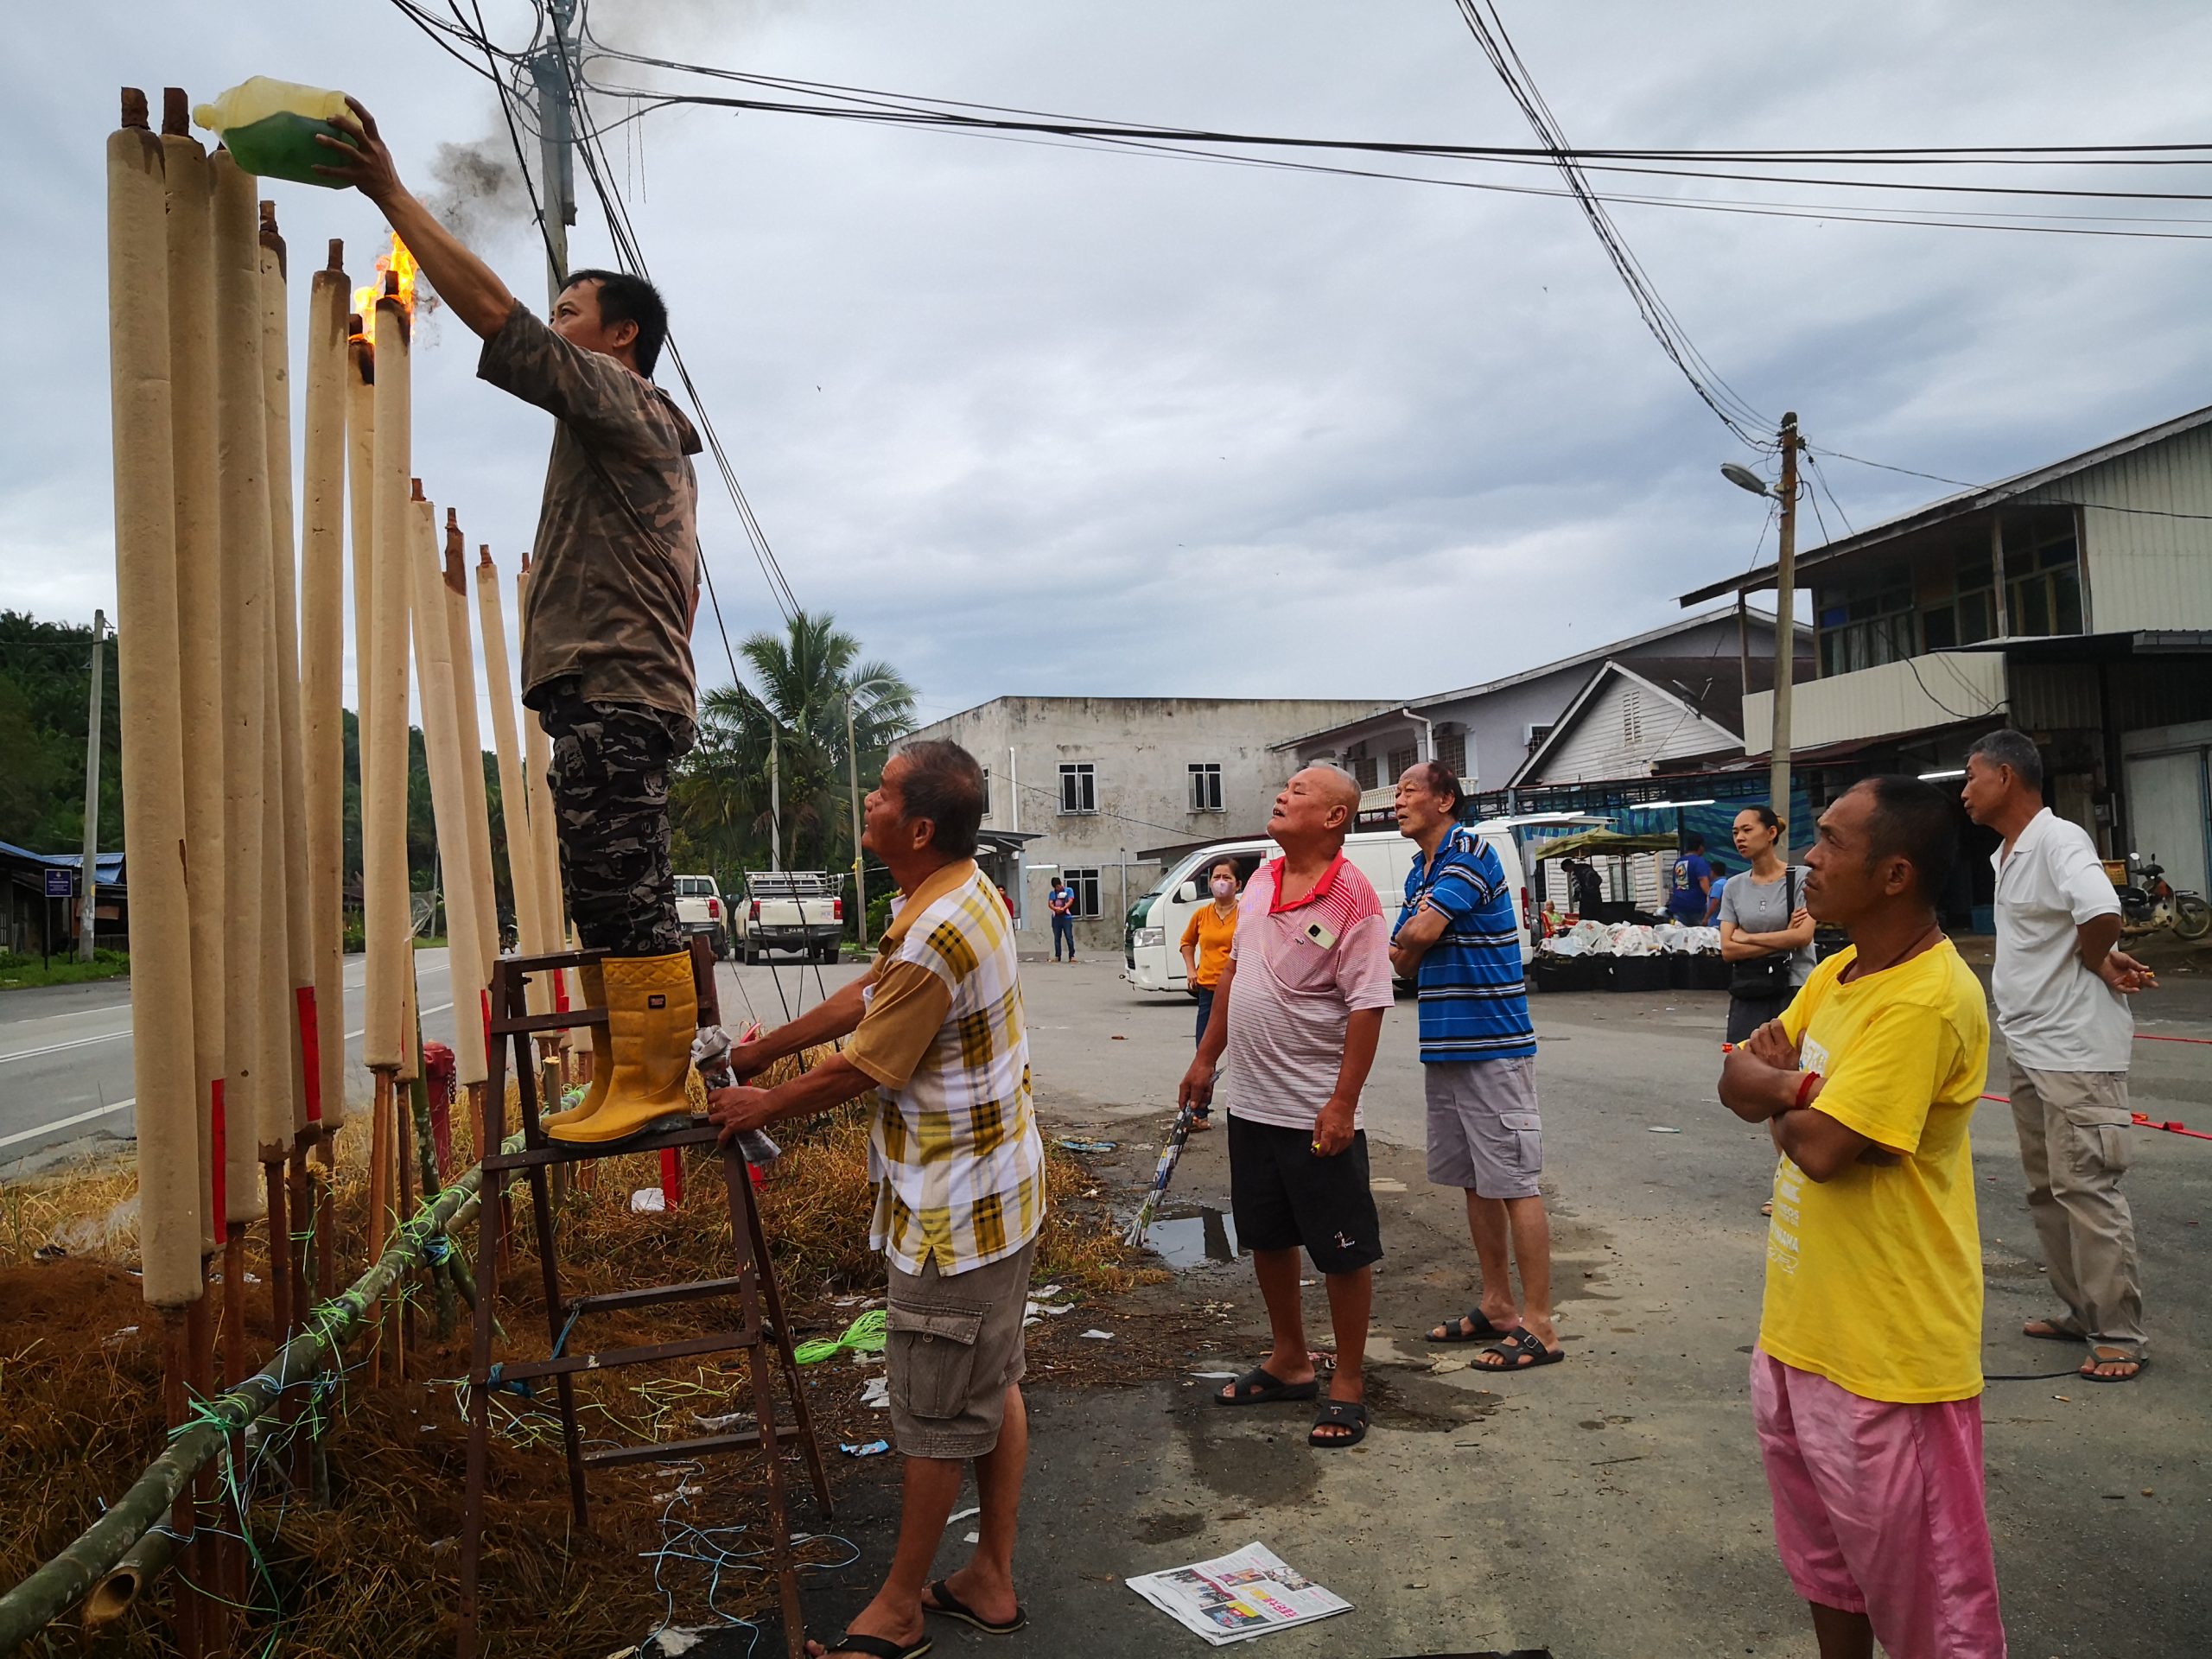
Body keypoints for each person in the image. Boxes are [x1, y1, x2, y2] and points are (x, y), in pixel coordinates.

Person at [320, 101, 703, 1145]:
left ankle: (658, 1084)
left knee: (622, 896)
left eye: (573, 311)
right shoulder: (640, 441)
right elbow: (688, 583)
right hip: (621, 685)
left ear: (619, 335)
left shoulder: (622, 402)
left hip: (618, 690)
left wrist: (390, 194)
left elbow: (498, 318)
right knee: (609, 889)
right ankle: (633, 1073)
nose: (557, 323)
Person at [709, 741, 1044, 1659]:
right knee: (992, 1378)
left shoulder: (940, 924)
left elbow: (870, 1061)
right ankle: (988, 1578)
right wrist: (764, 1049)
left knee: (937, 1413)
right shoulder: (949, 892)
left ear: (920, 826)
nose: (868, 798)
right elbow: (873, 994)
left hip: (955, 1209)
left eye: (885, 792)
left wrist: (761, 1101)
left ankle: (898, 1608)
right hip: (996, 1194)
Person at [1719, 777, 2003, 1659]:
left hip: (1891, 1357)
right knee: (1824, 1569)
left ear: (1893, 874)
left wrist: (1789, 1092)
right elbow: (1735, 1078)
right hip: (1802, 1336)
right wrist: (1800, 1096)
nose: (1807, 855)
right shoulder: (1843, 973)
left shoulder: (1924, 997)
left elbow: (1822, 1150)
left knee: (1933, 1615)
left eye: (1831, 841)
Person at [1179, 766, 1391, 1448]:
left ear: (1334, 817)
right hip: (1254, 1103)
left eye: (1300, 791)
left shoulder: (1353, 898)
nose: (1282, 795)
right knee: (1266, 1237)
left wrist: (1342, 1103)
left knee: (1340, 1249)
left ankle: (1349, 1380)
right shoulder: (1263, 877)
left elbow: (1368, 1004)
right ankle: (1290, 1359)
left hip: (1314, 1111)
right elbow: (1235, 974)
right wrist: (1207, 1059)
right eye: (1285, 787)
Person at [1962, 728, 2152, 1383]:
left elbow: (2101, 911)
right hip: (2030, 1042)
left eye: (1972, 777)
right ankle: (2081, 1311)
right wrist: (2091, 955)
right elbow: (2067, 928)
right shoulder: (2008, 854)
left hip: (2074, 1050)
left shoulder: (2059, 839)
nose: (1965, 791)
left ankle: (2120, 1334)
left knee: (2087, 1188)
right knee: (2047, 1189)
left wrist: (2095, 956)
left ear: (2007, 777)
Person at [1390, 764, 1560, 1372]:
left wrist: (1415, 934)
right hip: (1445, 1048)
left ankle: (1540, 1326)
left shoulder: (1467, 853)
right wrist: (1413, 936)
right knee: (1474, 1180)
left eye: (1410, 791)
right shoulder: (1419, 871)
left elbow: (1422, 931)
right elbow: (1403, 961)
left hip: (1493, 1047)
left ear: (1445, 799)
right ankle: (1498, 1305)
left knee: (1514, 1182)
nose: (1399, 801)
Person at [1719, 806, 1817, 1044]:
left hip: (1794, 987)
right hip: (1750, 987)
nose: (1739, 838)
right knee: (1743, 1060)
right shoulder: (1733, 886)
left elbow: (1802, 937)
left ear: (1771, 832)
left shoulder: (1802, 878)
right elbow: (1728, 950)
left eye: (1747, 830)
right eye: (1735, 833)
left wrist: (1747, 937)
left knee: (1793, 1061)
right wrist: (1785, 937)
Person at [1178, 858, 1242, 1128]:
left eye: (1226, 877)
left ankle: (1247, 1113)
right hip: (1208, 991)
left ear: (1238, 884)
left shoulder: (1246, 913)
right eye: (1216, 877)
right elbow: (1186, 942)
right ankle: (1199, 1114)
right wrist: (1191, 970)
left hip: (1239, 993)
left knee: (1244, 1052)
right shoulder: (1202, 915)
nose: (1220, 882)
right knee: (1204, 1054)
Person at [1667, 832, 1713, 925]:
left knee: (1681, 935)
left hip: (1678, 905)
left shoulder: (1678, 862)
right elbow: (1703, 883)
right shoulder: (1699, 861)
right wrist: (1713, 898)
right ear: (1700, 847)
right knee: (1697, 936)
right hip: (1694, 907)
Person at [1047, 874, 1077, 963]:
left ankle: (1071, 955)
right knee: (1057, 938)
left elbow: (1071, 901)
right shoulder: (1053, 893)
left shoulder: (1069, 890)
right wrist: (1055, 909)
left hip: (1066, 917)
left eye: (1058, 886)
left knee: (1069, 937)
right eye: (1056, 887)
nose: (1058, 888)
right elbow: (1050, 903)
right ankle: (1058, 956)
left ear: (1061, 884)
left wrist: (1063, 908)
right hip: (1056, 918)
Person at [1704, 859, 1731, 925]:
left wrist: (1706, 918)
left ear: (1712, 872)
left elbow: (1715, 902)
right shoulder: (1727, 882)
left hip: (1715, 921)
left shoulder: (1718, 884)